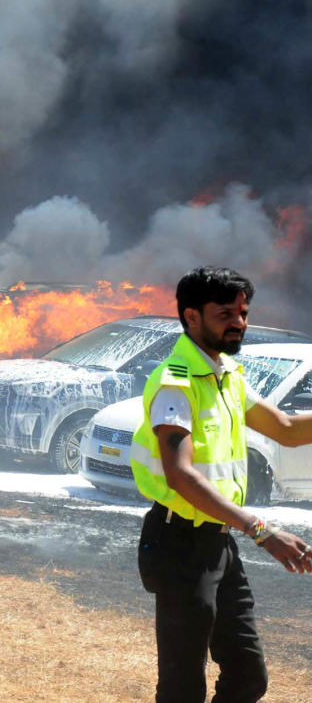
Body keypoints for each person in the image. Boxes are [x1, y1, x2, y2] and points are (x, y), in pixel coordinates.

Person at [131, 266, 312, 703]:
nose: (239, 323)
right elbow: (180, 474)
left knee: (248, 678)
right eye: (225, 314)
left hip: (220, 543)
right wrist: (262, 531)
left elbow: (286, 429)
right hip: (179, 544)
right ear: (191, 316)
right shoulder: (176, 381)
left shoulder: (226, 373)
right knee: (182, 688)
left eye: (243, 313)